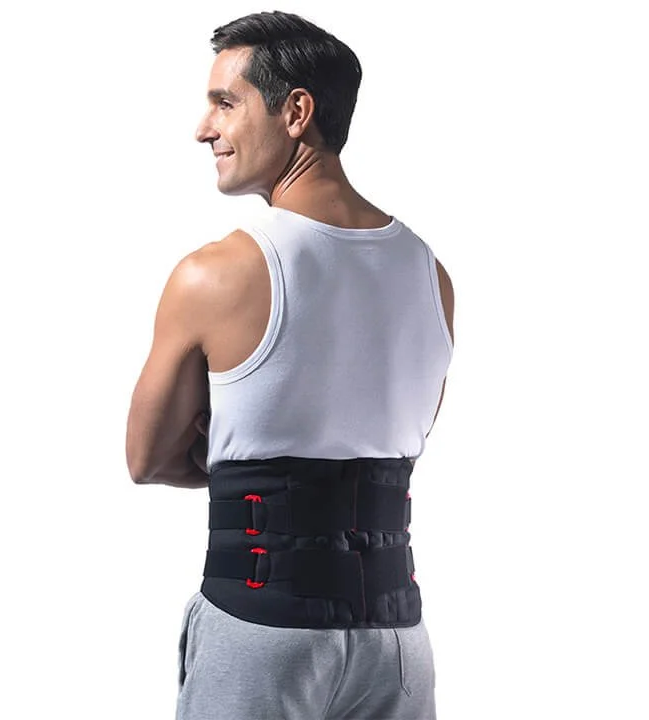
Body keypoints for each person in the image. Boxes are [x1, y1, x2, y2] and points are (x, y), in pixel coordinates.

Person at [125, 10, 454, 720]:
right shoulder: (430, 274)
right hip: (399, 645)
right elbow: (390, 433)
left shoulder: (216, 273)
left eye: (225, 103)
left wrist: (240, 458)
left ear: (296, 112)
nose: (204, 129)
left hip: (262, 634)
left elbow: (146, 460)